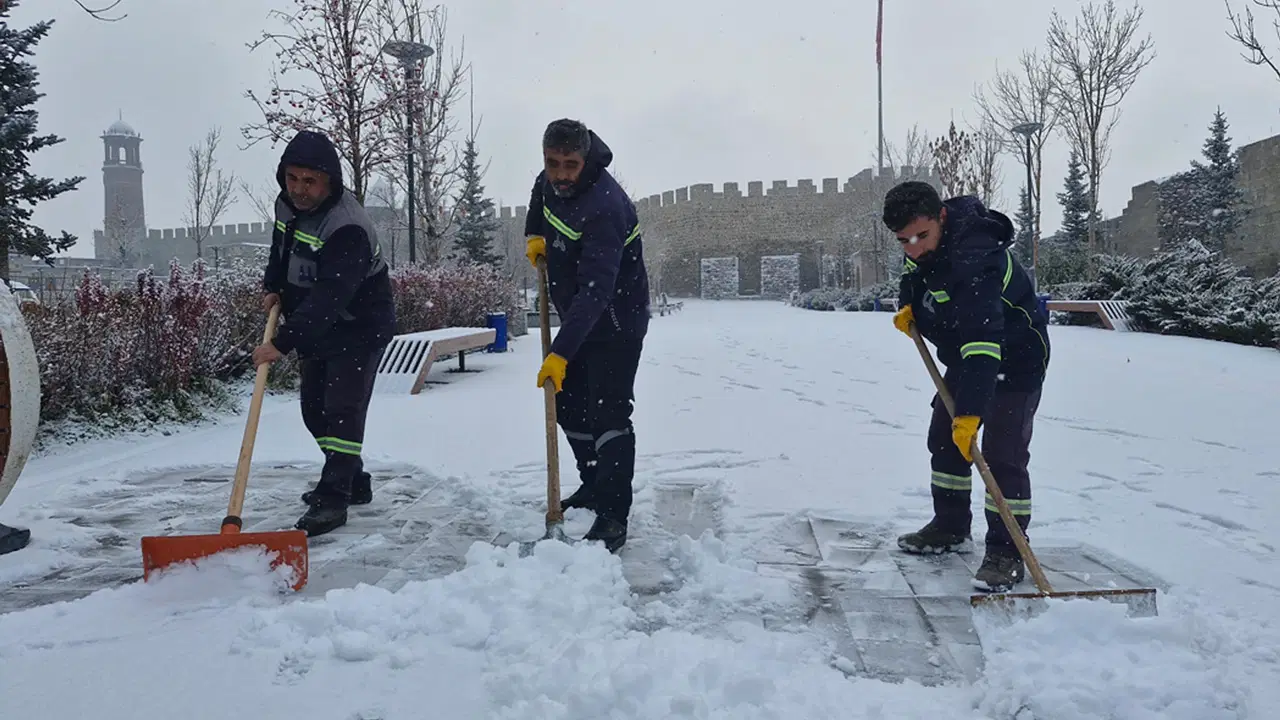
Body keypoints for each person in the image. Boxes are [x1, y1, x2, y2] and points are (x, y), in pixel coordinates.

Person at [881, 180, 1050, 592]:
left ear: (941, 217)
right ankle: (951, 525)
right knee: (944, 437)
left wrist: (970, 414)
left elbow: (984, 342)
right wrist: (909, 306)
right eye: (904, 240)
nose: (913, 247)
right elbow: (914, 273)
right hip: (966, 355)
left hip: (1015, 358)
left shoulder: (977, 258)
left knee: (1002, 454)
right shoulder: (921, 245)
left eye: (921, 236)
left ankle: (1007, 551)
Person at [252, 129, 396, 538]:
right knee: (314, 411)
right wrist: (273, 285)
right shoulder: (287, 206)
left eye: (309, 181)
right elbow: (280, 250)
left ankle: (334, 497)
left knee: (342, 411)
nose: (299, 189)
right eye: (293, 178)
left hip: (358, 325)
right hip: (317, 324)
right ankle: (353, 478)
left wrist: (279, 344)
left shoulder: (347, 226)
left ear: (329, 180)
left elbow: (331, 297)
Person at [523, 118, 650, 553]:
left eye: (569, 165)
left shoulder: (605, 207)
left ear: (586, 160)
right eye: (552, 162)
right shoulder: (550, 181)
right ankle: (594, 484)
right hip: (578, 315)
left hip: (616, 322)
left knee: (608, 415)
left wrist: (560, 352)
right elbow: (540, 193)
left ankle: (614, 515)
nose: (560, 173)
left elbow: (596, 292)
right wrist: (534, 232)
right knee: (570, 407)